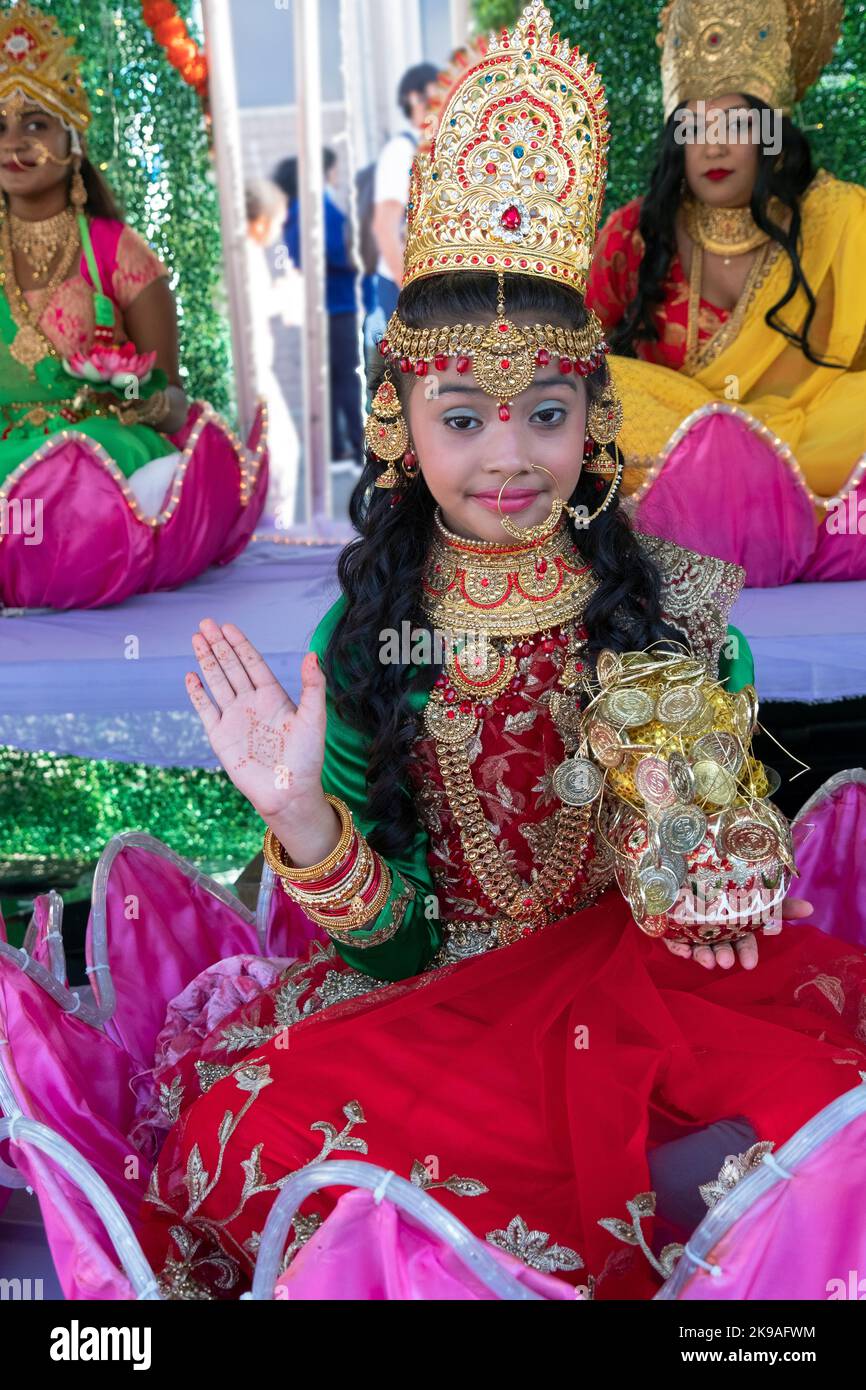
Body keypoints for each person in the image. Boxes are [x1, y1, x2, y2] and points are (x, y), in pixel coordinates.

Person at [126, 4, 866, 1302]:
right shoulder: (366, 636)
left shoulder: (677, 611)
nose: (510, 457)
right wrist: (304, 822)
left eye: (545, 412)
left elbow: (706, 894)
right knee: (244, 1145)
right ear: (401, 422)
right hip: (438, 1017)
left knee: (812, 1118)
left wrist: (693, 841)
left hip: (632, 997)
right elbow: (397, 952)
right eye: (463, 417)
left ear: (596, 414)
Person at [584, 0, 866, 587]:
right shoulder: (632, 238)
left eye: (735, 126)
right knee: (595, 387)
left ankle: (756, 484)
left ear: (772, 131)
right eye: (696, 129)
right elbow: (575, 363)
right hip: (680, 458)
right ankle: (735, 472)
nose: (713, 148)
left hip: (811, 441)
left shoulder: (838, 219)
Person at [0, 1, 266, 608]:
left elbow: (169, 398)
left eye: (36, 124)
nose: (14, 142)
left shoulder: (117, 252)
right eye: (0, 126)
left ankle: (67, 552)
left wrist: (136, 397)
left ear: (72, 141)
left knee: (130, 475)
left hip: (101, 451)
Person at [278, 149, 365, 465]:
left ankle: (336, 447)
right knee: (346, 378)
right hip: (336, 303)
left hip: (320, 305)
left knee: (330, 380)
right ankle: (358, 445)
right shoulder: (317, 207)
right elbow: (336, 251)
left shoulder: (297, 209)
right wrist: (359, 260)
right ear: (325, 171)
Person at [244, 177, 300, 524]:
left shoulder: (247, 251)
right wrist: (286, 293)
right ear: (262, 222)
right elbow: (253, 307)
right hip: (252, 371)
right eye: (278, 224)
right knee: (279, 454)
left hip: (256, 368)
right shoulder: (245, 253)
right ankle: (274, 526)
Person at [371, 62, 440, 321]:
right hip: (405, 289)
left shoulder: (438, 148)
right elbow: (385, 228)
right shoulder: (400, 152)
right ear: (413, 98)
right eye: (436, 94)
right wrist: (411, 293)